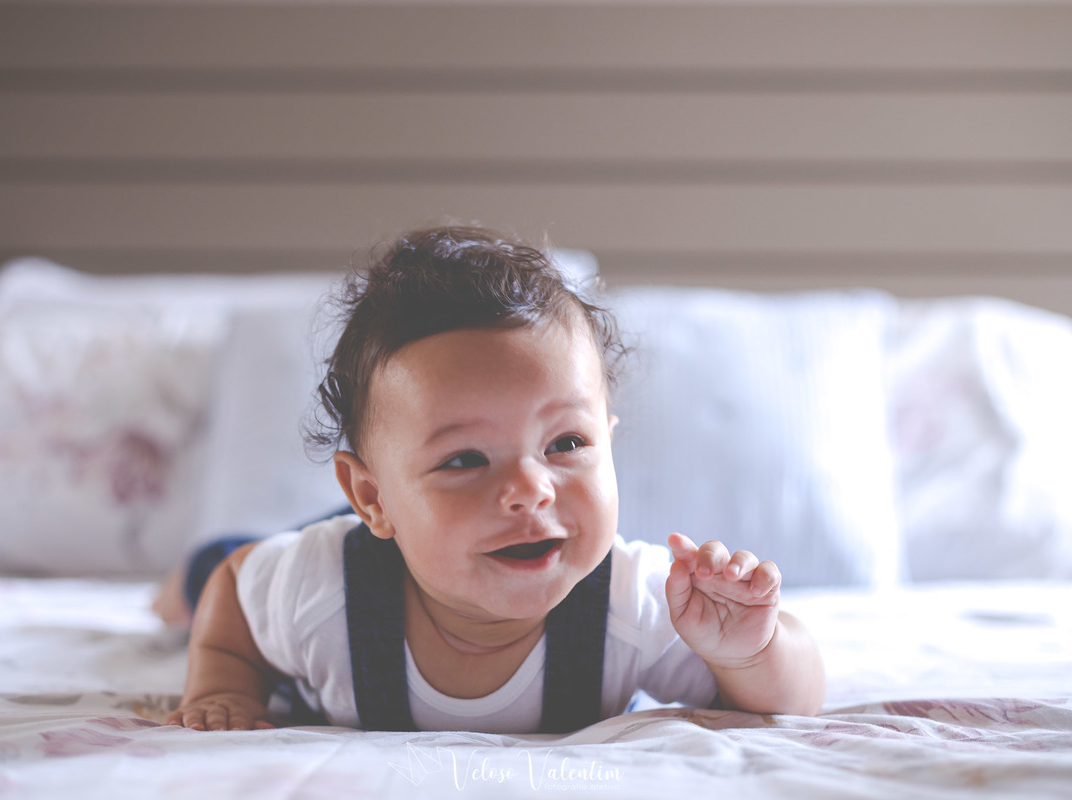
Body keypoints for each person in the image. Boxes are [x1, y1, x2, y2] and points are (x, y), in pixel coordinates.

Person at [163, 226, 825, 734]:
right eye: (465, 459)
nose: (530, 488)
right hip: (346, 550)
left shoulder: (634, 601)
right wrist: (221, 685)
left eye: (565, 443)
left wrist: (750, 650)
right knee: (209, 571)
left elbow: (796, 701)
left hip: (408, 536)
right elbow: (236, 591)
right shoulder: (317, 590)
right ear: (372, 495)